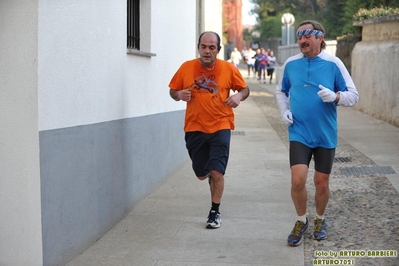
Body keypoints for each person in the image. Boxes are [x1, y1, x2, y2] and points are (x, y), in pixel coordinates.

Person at [275, 20, 359, 246]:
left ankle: (320, 220)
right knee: (297, 180)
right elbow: (281, 91)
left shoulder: (334, 63)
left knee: (321, 182)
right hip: (299, 131)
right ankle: (301, 220)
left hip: (325, 134)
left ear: (320, 38)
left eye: (307, 36)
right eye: (299, 36)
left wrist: (336, 97)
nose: (302, 40)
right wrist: (284, 111)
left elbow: (353, 94)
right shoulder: (291, 64)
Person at [169, 31, 250, 229]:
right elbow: (172, 91)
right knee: (201, 173)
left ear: (218, 50)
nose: (207, 51)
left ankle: (215, 211)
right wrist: (178, 94)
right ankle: (208, 176)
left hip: (221, 124)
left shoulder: (228, 68)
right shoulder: (186, 68)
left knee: (217, 171)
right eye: (204, 46)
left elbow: (244, 89)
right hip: (194, 126)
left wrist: (238, 97)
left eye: (211, 47)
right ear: (199, 47)